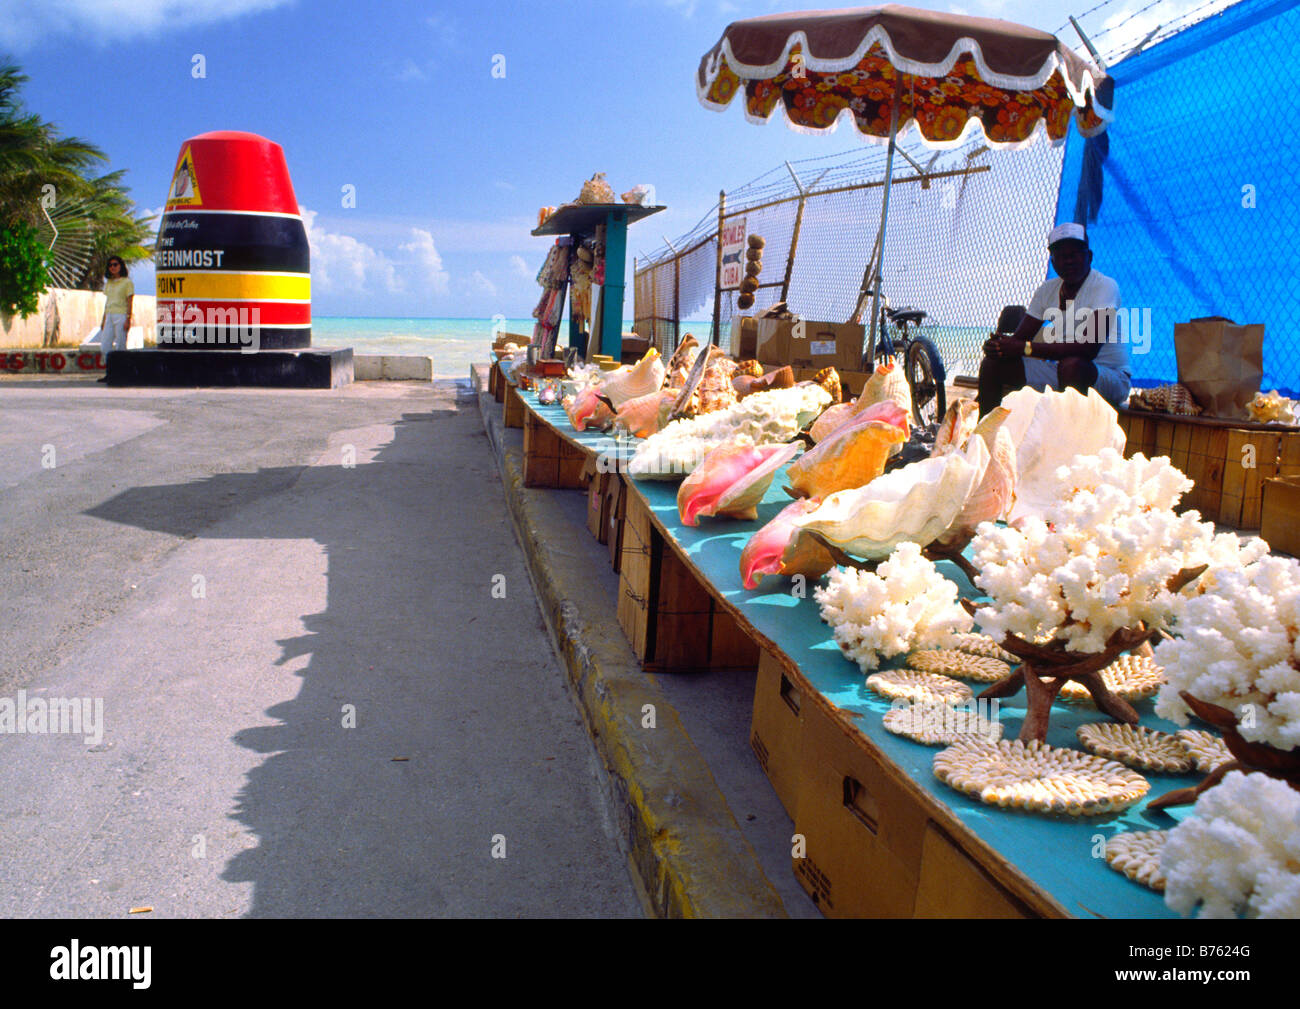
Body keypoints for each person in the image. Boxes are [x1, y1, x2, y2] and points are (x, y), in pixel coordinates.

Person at [977, 223, 1130, 415]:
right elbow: (1020, 339)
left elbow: (1088, 348)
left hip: (1109, 377)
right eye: (1061, 256)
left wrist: (1024, 347)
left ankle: (1072, 441)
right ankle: (982, 437)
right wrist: (1000, 347)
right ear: (1053, 261)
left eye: (1074, 254)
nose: (1068, 261)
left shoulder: (1105, 286)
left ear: (1089, 257)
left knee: (1073, 366)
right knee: (993, 364)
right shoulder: (1047, 290)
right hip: (1063, 372)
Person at [100, 256, 134, 353]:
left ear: (121, 266)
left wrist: (128, 319)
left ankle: (121, 367)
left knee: (120, 344)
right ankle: (108, 366)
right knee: (105, 345)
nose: (113, 267)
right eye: (110, 265)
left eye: (115, 264)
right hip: (109, 315)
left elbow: (129, 301)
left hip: (121, 315)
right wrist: (103, 319)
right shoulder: (109, 283)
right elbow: (107, 302)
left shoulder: (127, 282)